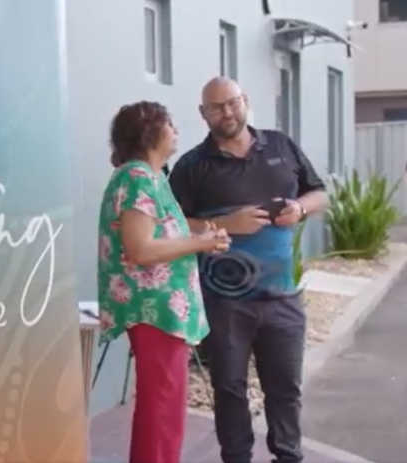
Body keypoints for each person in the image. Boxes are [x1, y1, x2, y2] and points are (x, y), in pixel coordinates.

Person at [168, 77, 328, 463]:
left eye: (233, 103)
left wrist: (300, 208)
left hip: (282, 297)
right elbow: (170, 222)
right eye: (216, 107)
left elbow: (319, 192)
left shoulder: (280, 145)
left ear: (245, 101)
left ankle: (288, 456)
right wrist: (224, 224)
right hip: (224, 303)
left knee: (286, 388)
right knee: (229, 388)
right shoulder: (192, 165)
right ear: (203, 114)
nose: (227, 112)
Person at [97, 101, 230, 463]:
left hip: (163, 312)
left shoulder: (150, 177)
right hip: (154, 312)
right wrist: (200, 242)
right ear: (151, 133)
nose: (176, 131)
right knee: (162, 411)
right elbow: (140, 248)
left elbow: (162, 239)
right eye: (170, 124)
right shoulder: (138, 176)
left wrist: (204, 238)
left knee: (164, 409)